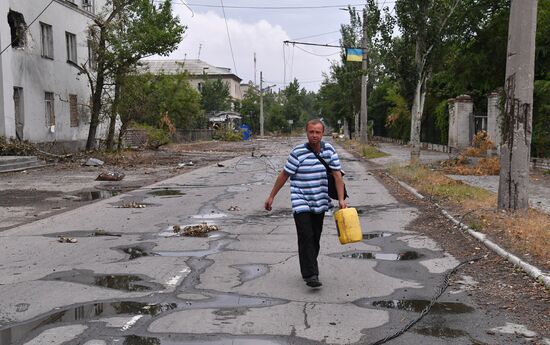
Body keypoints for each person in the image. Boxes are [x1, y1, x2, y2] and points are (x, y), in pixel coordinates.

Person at [264, 119, 347, 288]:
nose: (314, 135)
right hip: (300, 199)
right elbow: (284, 175)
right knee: (306, 236)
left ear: (323, 134)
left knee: (315, 237)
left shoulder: (329, 150)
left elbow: (338, 175)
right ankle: (311, 274)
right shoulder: (298, 152)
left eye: (317, 132)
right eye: (311, 132)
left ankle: (309, 266)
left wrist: (341, 199)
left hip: (320, 200)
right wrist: (271, 196)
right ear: (307, 133)